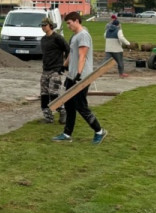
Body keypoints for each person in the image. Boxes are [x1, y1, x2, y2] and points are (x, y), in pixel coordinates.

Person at [52, 12, 107, 144]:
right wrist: (64, 66)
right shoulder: (75, 36)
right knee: (69, 104)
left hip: (82, 77)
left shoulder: (83, 36)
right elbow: (72, 54)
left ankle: (99, 131)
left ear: (77, 21)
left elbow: (82, 56)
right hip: (72, 76)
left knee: (81, 106)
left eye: (69, 23)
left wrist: (78, 74)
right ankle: (67, 134)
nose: (68, 26)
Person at [39, 17, 69, 124]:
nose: (43, 27)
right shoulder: (43, 39)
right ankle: (48, 117)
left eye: (45, 25)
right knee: (44, 94)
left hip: (56, 70)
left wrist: (65, 65)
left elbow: (68, 49)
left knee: (53, 93)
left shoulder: (57, 38)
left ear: (50, 26)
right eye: (42, 25)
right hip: (45, 70)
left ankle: (62, 111)